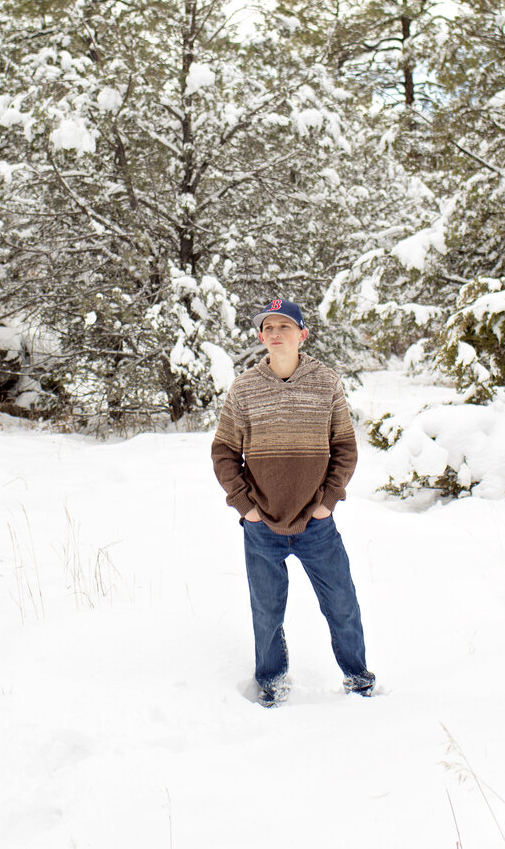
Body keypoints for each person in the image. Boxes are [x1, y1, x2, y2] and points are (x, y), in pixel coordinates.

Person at [211, 298, 375, 707]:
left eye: (285, 326)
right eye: (269, 327)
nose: (277, 333)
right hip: (262, 524)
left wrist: (328, 501)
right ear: (261, 336)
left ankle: (358, 678)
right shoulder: (245, 388)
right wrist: (246, 507)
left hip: (316, 523)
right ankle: (271, 681)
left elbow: (344, 448)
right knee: (266, 613)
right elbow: (224, 452)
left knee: (342, 605)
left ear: (302, 334)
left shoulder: (326, 382)